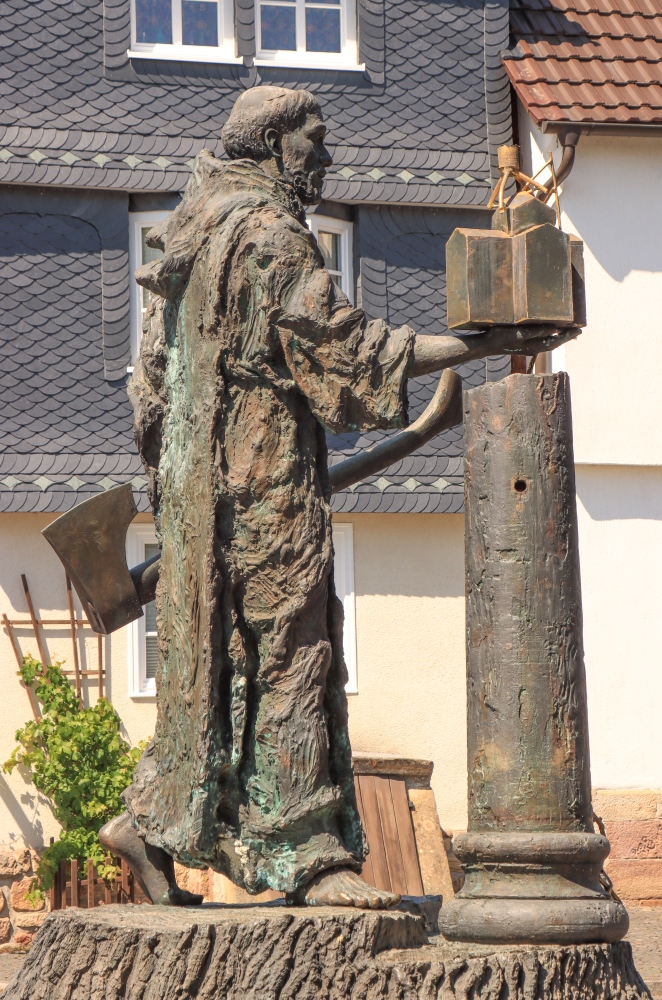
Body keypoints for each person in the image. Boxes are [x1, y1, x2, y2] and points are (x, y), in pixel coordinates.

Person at [99, 86, 578, 908]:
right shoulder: (271, 235)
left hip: (201, 482)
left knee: (212, 658)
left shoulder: (192, 227)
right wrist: (477, 343)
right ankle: (310, 855)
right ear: (274, 141)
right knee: (293, 647)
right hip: (263, 473)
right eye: (313, 140)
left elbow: (151, 384)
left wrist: (180, 488)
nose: (325, 157)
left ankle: (149, 823)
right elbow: (344, 347)